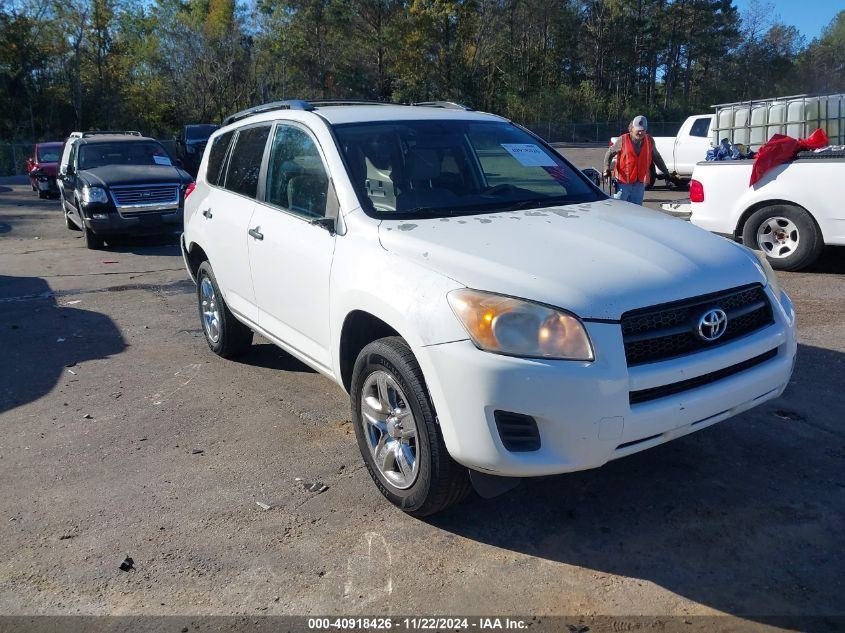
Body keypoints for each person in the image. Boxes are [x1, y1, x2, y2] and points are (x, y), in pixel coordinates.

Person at [604, 115, 675, 205]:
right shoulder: (623, 140)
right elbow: (609, 153)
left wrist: (666, 173)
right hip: (623, 183)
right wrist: (606, 169)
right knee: (619, 209)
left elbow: (657, 158)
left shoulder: (649, 140)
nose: (641, 133)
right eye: (638, 130)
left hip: (639, 183)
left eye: (643, 130)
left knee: (636, 211)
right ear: (631, 129)